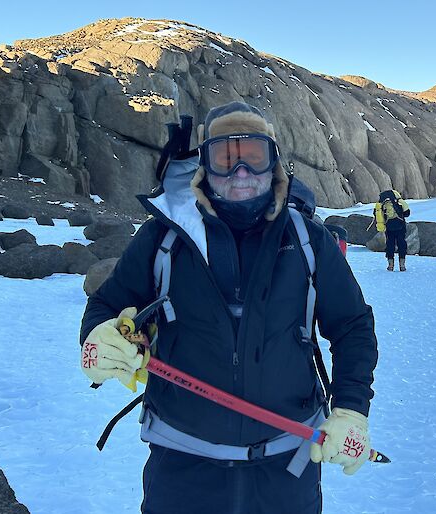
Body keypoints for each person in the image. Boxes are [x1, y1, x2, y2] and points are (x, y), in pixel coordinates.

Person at [79, 101, 378, 514]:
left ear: (273, 163)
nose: (241, 173)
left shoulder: (309, 240)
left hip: (286, 472)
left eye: (253, 157)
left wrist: (351, 408)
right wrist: (97, 336)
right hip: (182, 470)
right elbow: (108, 304)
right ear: (205, 166)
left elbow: (352, 326)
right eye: (225, 157)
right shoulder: (164, 238)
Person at [373, 189, 410, 271]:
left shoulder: (382, 204)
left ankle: (390, 265)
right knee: (401, 244)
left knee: (390, 245)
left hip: (389, 227)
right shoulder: (399, 201)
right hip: (400, 226)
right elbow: (407, 213)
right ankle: (402, 265)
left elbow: (376, 214)